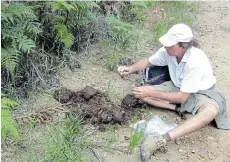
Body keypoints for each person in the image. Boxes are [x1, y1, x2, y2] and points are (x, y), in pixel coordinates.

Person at [117, 23, 230, 161]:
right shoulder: (168, 52)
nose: (166, 46)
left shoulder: (196, 60)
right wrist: (130, 68)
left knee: (211, 111)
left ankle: (161, 139)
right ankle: (178, 109)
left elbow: (182, 97)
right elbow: (149, 61)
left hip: (202, 92)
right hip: (177, 86)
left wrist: (152, 92)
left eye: (170, 44)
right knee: (139, 93)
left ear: (183, 45)